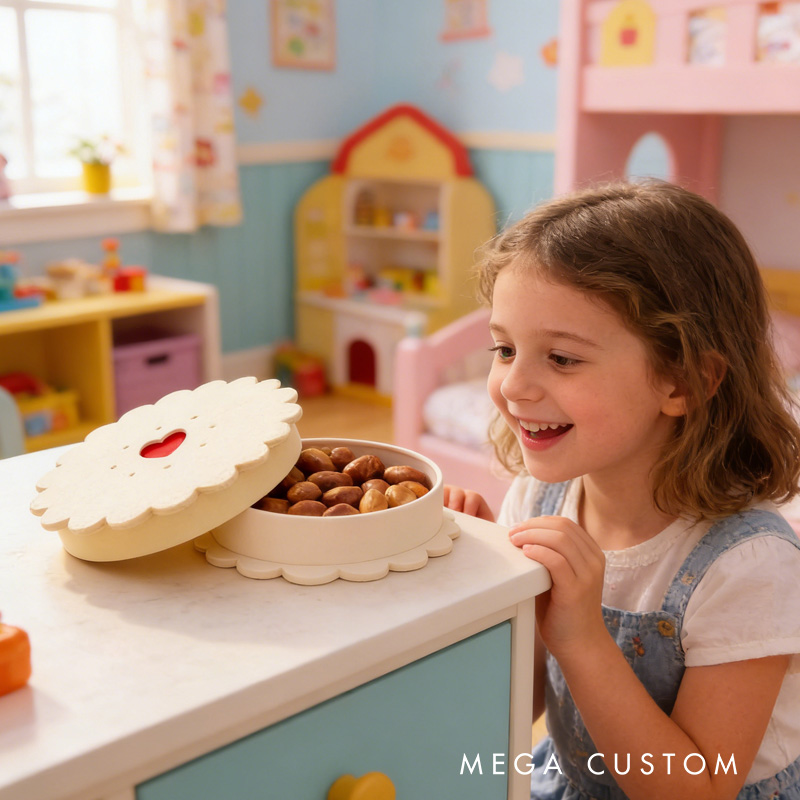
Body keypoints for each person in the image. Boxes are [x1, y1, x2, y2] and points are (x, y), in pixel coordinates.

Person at [445, 181, 800, 800]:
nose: (513, 387)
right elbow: (524, 700)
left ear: (682, 381)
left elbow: (696, 789)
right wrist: (480, 589)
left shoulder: (749, 567)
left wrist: (581, 637)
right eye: (504, 348)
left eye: (561, 358)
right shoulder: (537, 500)